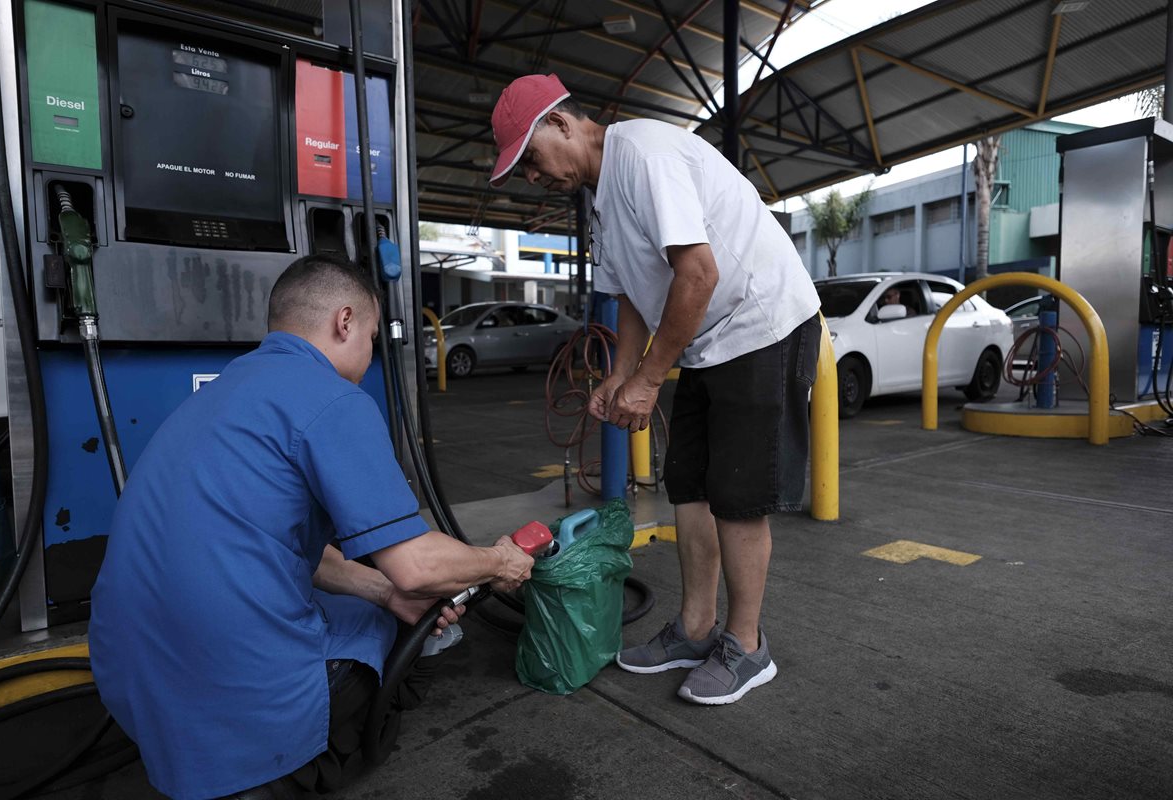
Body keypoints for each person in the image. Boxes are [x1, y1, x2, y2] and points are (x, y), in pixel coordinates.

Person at [89, 254, 534, 799]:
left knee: (383, 600)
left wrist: (384, 591)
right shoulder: (333, 399)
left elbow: (287, 545)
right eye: (371, 336)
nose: (371, 355)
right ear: (344, 322)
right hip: (236, 686)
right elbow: (417, 567)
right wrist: (500, 561)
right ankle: (294, 759)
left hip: (129, 673)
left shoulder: (223, 392)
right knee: (404, 636)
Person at [489, 74, 821, 706]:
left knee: (738, 495)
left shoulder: (642, 154)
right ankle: (695, 630)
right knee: (691, 484)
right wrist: (618, 375)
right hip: (709, 338)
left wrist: (647, 380)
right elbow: (634, 298)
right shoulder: (600, 198)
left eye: (529, 159)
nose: (533, 177)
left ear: (561, 123)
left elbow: (698, 272)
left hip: (762, 321)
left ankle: (747, 646)